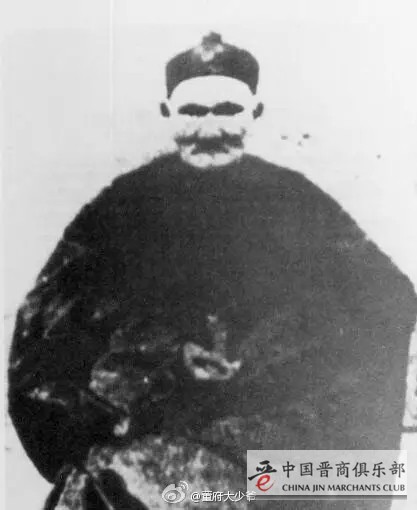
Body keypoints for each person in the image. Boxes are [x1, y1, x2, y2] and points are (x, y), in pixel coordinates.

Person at [8, 32, 417, 509]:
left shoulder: (298, 202)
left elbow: (384, 304)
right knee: (115, 486)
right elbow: (48, 339)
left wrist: (268, 357)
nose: (209, 129)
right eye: (192, 112)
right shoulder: (120, 207)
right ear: (167, 113)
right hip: (147, 430)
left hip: (271, 440)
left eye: (226, 111)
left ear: (255, 113)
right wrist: (165, 360)